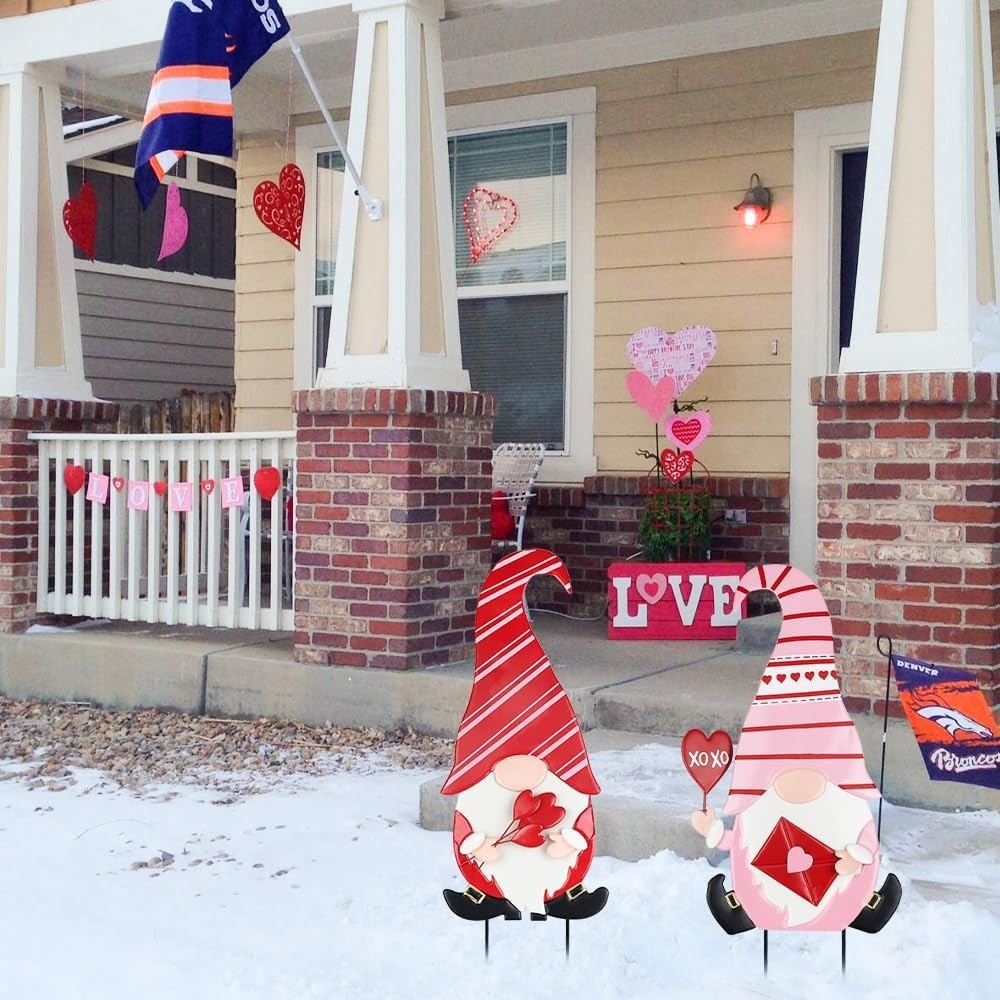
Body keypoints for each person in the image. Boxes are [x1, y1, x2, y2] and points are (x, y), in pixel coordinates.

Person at [691, 564, 901, 934]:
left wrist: (857, 857)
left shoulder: (842, 803)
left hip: (836, 900)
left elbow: (863, 841)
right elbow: (739, 843)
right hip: (771, 904)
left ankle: (857, 907)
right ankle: (748, 909)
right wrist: (713, 831)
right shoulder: (762, 806)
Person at [441, 549, 608, 922]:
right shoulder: (479, 793)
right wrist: (476, 845)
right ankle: (488, 895)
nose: (521, 767)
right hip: (491, 866)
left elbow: (581, 822)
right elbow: (466, 826)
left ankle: (562, 894)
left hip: (557, 865)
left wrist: (572, 841)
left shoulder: (566, 785)